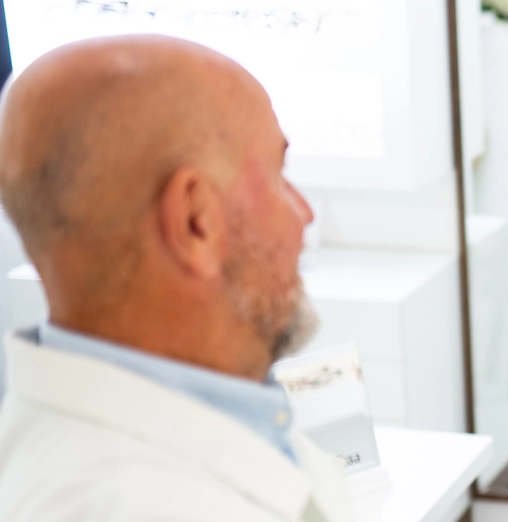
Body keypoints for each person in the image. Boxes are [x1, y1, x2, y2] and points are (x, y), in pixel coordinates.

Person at [0, 35, 348, 521]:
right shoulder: (128, 504)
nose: (304, 214)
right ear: (194, 223)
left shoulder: (206, 409)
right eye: (279, 174)